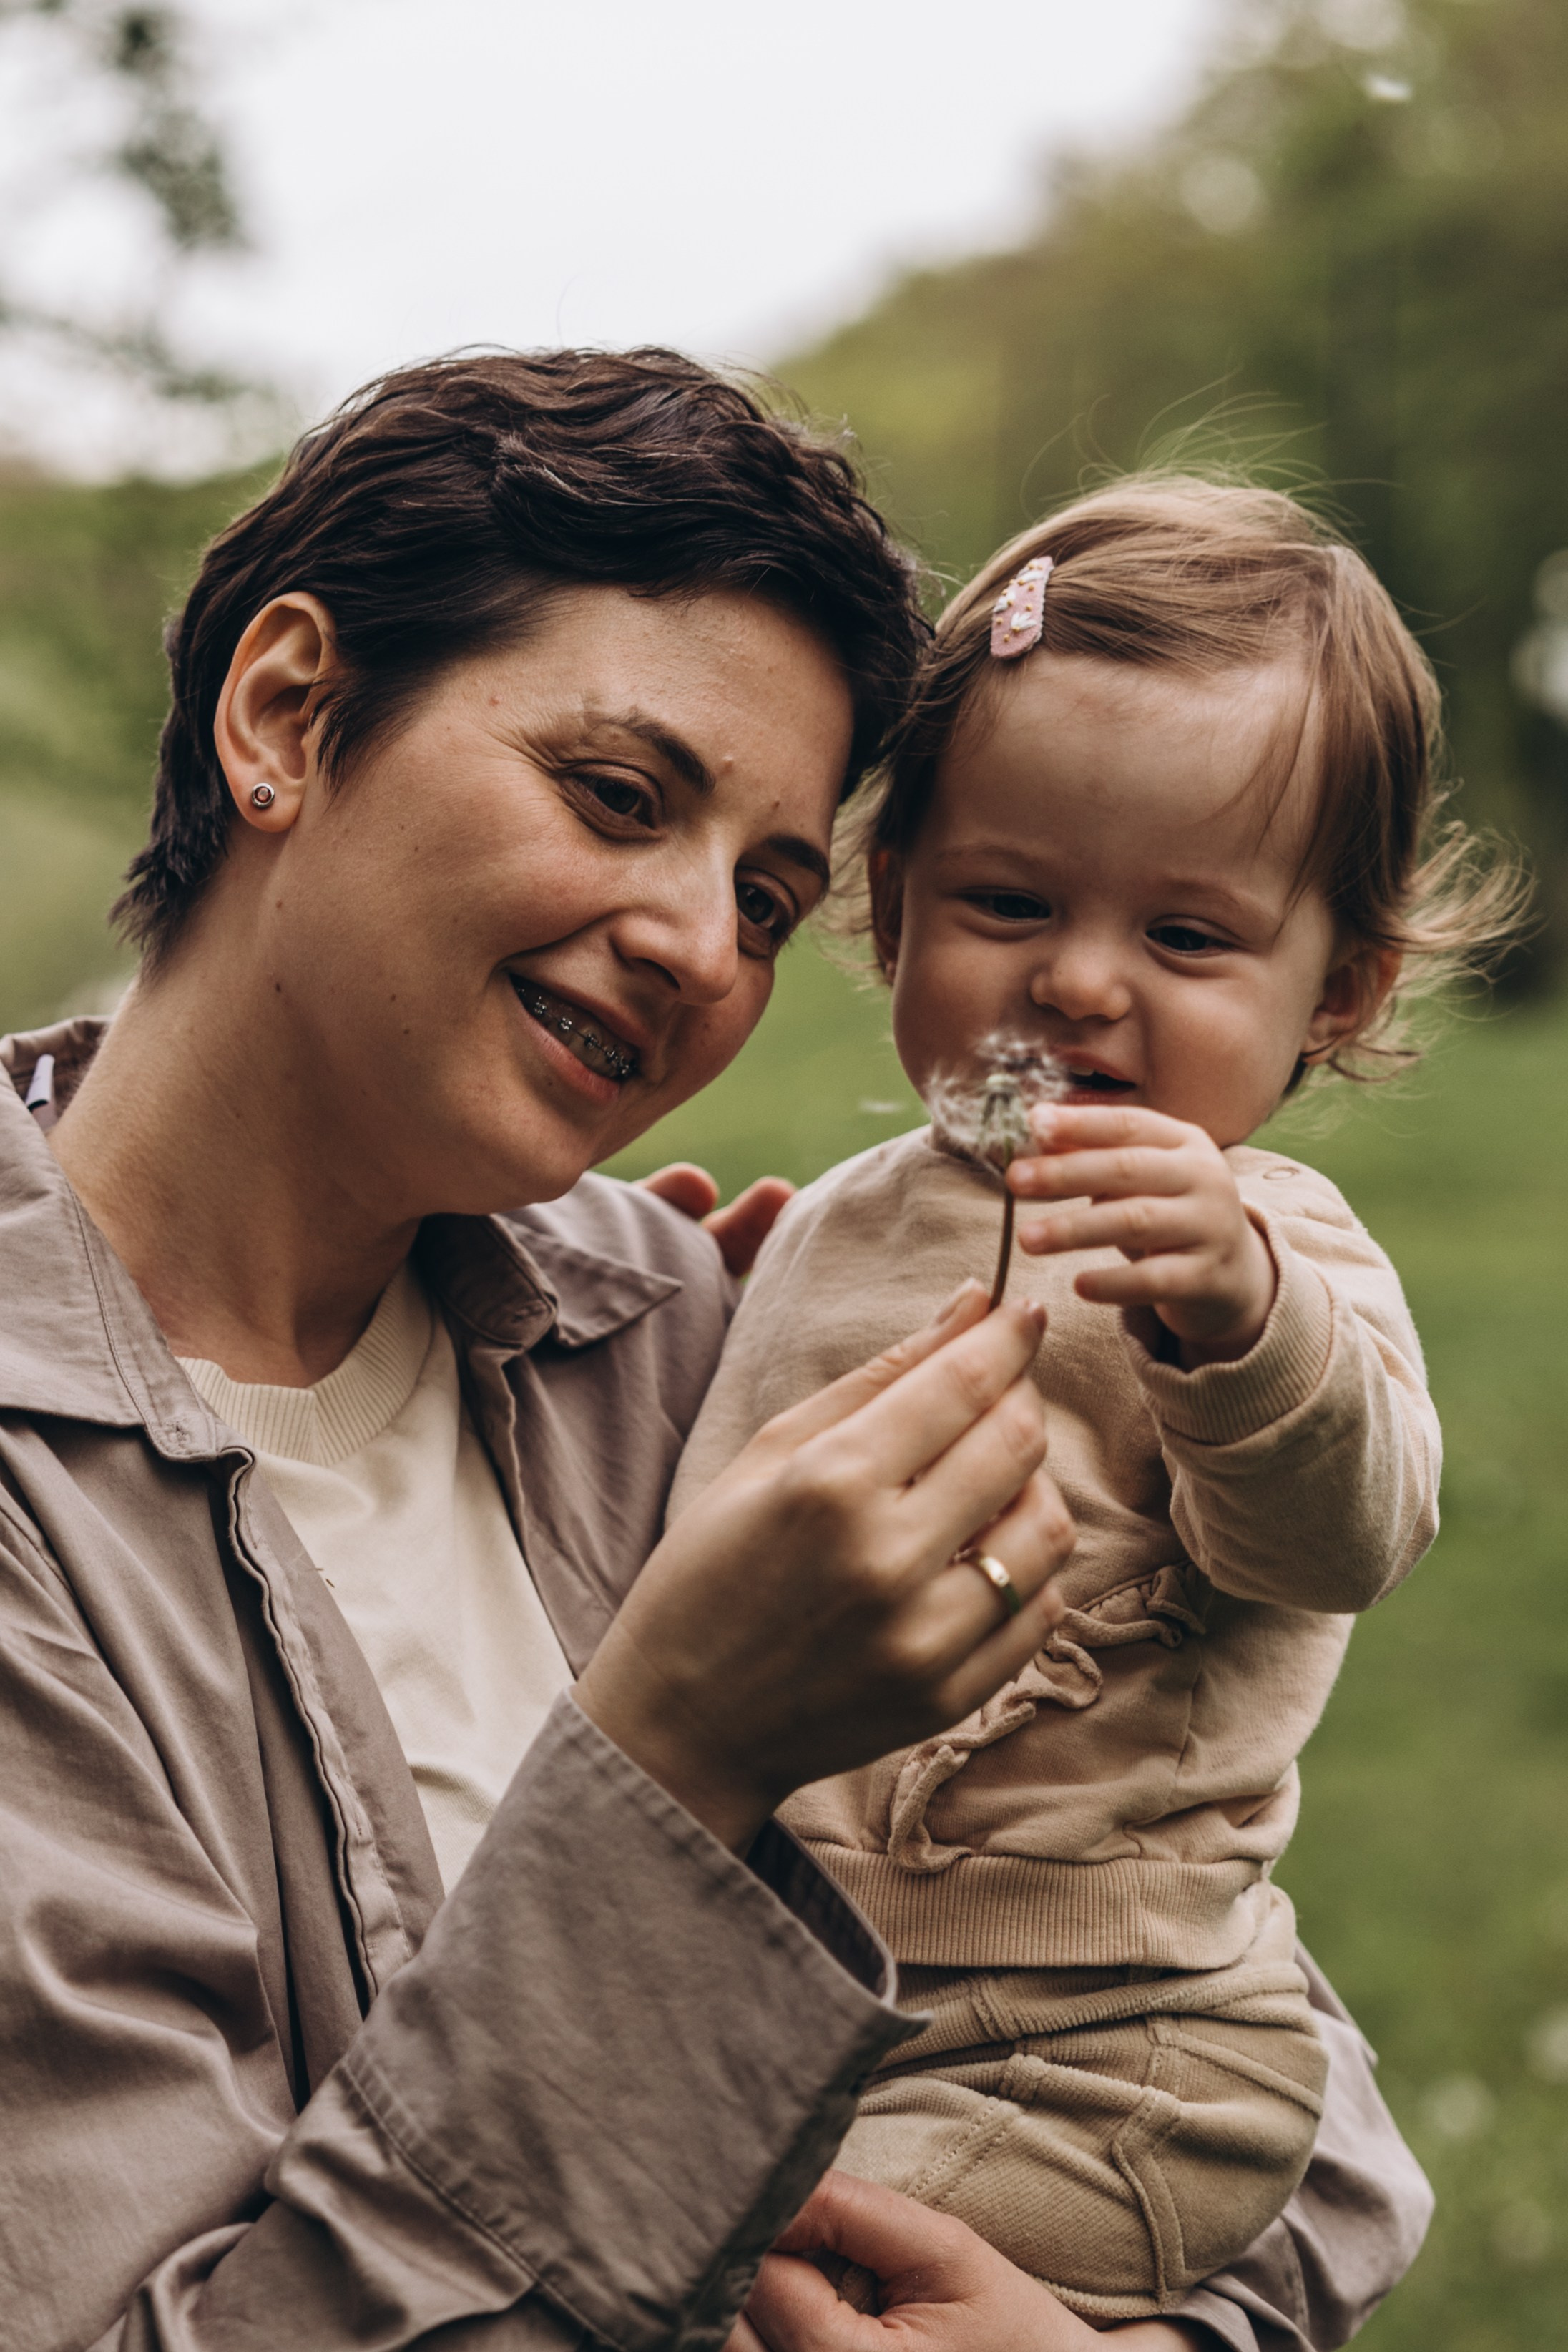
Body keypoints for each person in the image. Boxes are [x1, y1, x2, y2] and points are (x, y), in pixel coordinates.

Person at [0, 361, 1422, 2352]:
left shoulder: (690, 1336)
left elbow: (1242, 2040)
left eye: (766, 895)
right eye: (616, 795)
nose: (696, 945)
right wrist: (681, 1754)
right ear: (288, 715)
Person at [675, 479, 1520, 2328]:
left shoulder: (1270, 1244)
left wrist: (1240, 1320)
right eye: (1005, 902)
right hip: (814, 1982)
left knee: (734, 2277)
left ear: (1338, 991)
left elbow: (1345, 1532)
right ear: (891, 911)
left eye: (1190, 941)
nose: (1074, 980)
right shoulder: (840, 1223)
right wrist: (699, 1323)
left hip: (1106, 2041)